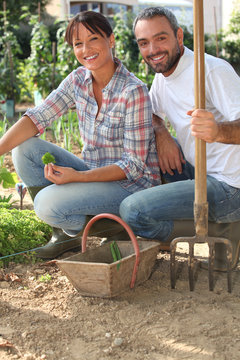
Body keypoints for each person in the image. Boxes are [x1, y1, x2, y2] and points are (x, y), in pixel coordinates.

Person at [0, 11, 161, 259]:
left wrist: (79, 177)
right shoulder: (78, 80)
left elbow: (134, 166)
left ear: (111, 39)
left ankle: (116, 226)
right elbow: (38, 117)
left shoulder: (133, 91)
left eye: (93, 38)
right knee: (24, 149)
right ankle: (65, 236)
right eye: (78, 43)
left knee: (46, 204)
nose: (86, 49)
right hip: (93, 172)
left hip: (130, 187)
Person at [120, 7, 240, 271]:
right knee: (146, 164)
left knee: (133, 211)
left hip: (229, 186)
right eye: (144, 43)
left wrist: (219, 131)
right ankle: (214, 230)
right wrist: (162, 133)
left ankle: (225, 231)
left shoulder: (211, 71)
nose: (152, 49)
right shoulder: (164, 78)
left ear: (179, 36)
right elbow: (151, 113)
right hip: (194, 173)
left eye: (160, 38)